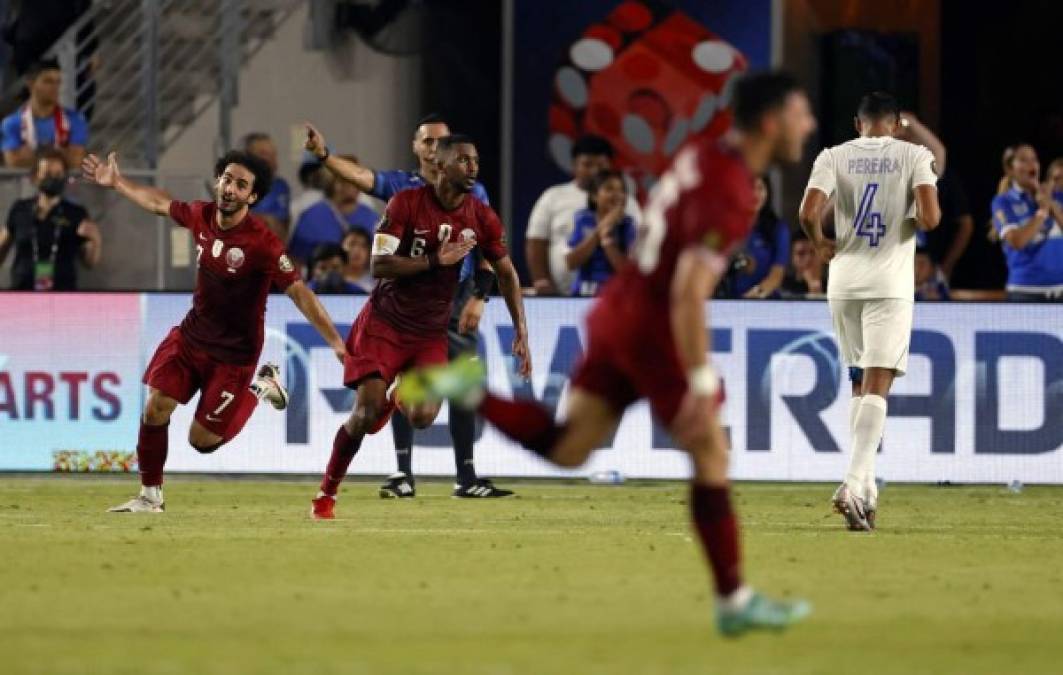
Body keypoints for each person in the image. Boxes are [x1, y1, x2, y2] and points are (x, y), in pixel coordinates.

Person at [398, 72, 816, 636]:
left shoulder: (704, 154)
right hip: (652, 325)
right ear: (771, 122)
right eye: (800, 113)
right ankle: (733, 600)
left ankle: (465, 389)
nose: (808, 124)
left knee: (571, 449)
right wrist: (695, 381)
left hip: (622, 308)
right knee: (711, 449)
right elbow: (690, 290)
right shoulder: (733, 187)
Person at [80, 149, 348, 513]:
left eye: (241, 185)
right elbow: (160, 204)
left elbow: (299, 292)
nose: (230, 189)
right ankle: (150, 496)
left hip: (234, 355)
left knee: (202, 442)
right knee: (156, 407)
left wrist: (336, 342)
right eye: (227, 179)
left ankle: (262, 385)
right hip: (191, 337)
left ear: (252, 197)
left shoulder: (263, 243)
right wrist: (118, 183)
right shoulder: (200, 215)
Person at [305, 133, 532, 519]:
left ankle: (397, 393)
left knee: (423, 417)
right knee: (364, 414)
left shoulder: (481, 216)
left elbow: (507, 273)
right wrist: (434, 261)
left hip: (430, 332)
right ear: (440, 166)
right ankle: (327, 493)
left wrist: (521, 330)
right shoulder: (406, 203)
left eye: (475, 160)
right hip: (385, 324)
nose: (472, 167)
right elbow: (378, 266)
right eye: (463, 160)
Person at [799, 91, 942, 531]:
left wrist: (821, 242)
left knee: (860, 382)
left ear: (857, 124)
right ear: (895, 124)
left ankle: (867, 492)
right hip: (888, 284)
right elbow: (932, 219)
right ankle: (854, 481)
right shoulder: (913, 154)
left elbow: (808, 211)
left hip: (842, 281)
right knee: (878, 382)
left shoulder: (833, 156)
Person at [526, 135, 641, 296]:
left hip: (615, 295)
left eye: (601, 165)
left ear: (610, 165)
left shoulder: (628, 204)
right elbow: (536, 242)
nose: (594, 170)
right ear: (574, 165)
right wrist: (541, 281)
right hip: (560, 295)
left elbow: (637, 252)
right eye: (587, 164)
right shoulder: (553, 197)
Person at [0, 147, 100, 290]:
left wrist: (95, 239)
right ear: (35, 177)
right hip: (22, 293)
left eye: (58, 174)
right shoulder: (20, 209)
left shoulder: (76, 213)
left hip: (63, 294)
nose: (53, 179)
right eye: (47, 174)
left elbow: (89, 263)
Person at [990, 144, 1063, 301]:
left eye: (1034, 159)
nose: (1031, 164)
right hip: (1025, 292)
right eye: (1023, 160)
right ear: (1010, 169)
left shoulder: (1055, 196)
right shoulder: (1003, 202)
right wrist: (1042, 211)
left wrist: (1050, 204)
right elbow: (1017, 241)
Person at [288, 154, 378, 266]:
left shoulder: (371, 218)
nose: (351, 184)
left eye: (357, 178)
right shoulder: (312, 216)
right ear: (333, 180)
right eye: (345, 179)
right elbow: (296, 261)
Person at [1, 59, 88, 169]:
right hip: (24, 185)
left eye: (58, 82)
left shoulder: (75, 119)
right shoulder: (11, 123)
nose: (55, 87)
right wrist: (60, 153)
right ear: (30, 83)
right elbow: (13, 163)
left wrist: (34, 154)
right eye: (48, 81)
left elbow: (75, 161)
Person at [565, 169, 635, 296]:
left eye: (621, 190)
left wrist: (607, 241)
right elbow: (571, 262)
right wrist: (603, 227)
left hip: (615, 295)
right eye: (609, 189)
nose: (617, 194)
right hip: (582, 294)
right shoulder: (582, 219)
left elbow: (626, 272)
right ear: (594, 196)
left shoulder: (628, 224)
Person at [729, 176, 790, 298]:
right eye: (750, 188)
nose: (755, 194)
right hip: (726, 302)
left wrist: (752, 297)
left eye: (760, 188)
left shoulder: (778, 229)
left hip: (765, 305)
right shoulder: (728, 226)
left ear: (767, 192)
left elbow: (776, 276)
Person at [244, 132, 291, 241]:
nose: (270, 160)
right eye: (264, 154)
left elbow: (281, 231)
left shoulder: (280, 187)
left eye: (273, 154)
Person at [779, 231, 827, 298]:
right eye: (801, 253)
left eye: (812, 252)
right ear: (792, 258)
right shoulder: (783, 288)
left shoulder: (833, 285)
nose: (808, 259)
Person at [341, 228, 374, 293]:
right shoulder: (333, 278)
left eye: (363, 246)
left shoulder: (377, 282)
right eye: (352, 244)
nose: (357, 250)